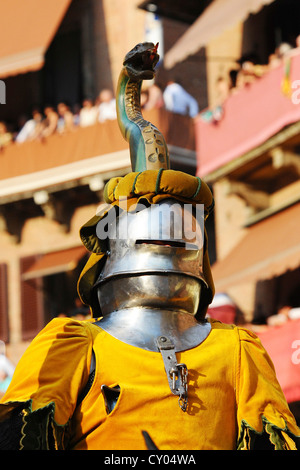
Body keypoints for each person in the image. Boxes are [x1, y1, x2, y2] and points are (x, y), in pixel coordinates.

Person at [0, 43, 299, 451]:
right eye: (154, 232)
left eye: (176, 232)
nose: (166, 246)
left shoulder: (237, 350)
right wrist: (128, 92)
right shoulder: (76, 345)